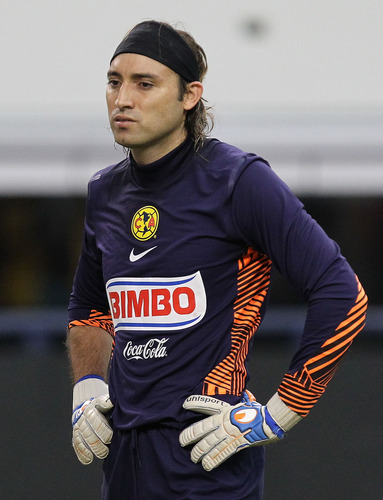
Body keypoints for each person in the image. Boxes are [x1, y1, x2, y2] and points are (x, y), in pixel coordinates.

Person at [67, 20, 368, 500]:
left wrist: (279, 412)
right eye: (114, 81)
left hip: (207, 463)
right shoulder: (105, 191)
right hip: (123, 466)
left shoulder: (238, 181)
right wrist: (86, 389)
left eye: (145, 84)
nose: (123, 98)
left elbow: (343, 294)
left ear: (190, 96)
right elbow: (88, 307)